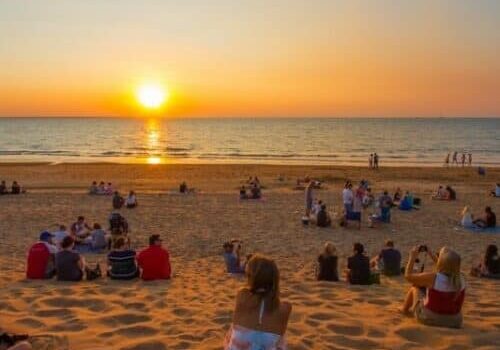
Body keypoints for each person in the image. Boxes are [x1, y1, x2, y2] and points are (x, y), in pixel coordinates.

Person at [224, 254, 292, 350]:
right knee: (280, 340)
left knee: (232, 331)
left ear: (250, 277)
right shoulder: (286, 308)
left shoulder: (242, 295)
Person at [402, 246, 465, 328]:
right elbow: (445, 267)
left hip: (431, 319)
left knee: (415, 288)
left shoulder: (433, 278)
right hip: (455, 321)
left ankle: (404, 310)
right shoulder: (461, 279)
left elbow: (408, 276)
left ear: (441, 262)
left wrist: (412, 257)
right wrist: (430, 253)